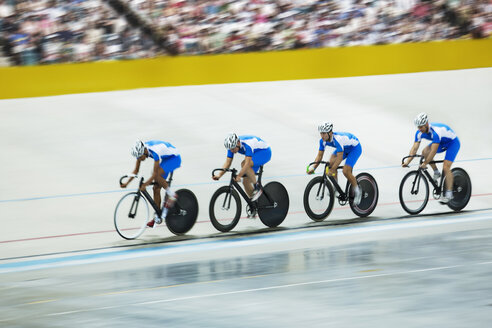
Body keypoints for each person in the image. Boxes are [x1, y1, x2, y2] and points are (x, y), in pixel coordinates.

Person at [120, 140, 181, 227]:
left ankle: (172, 195)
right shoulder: (142, 151)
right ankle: (157, 215)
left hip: (174, 158)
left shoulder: (155, 151)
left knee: (156, 175)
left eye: (140, 157)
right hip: (166, 159)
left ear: (144, 152)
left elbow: (155, 174)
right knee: (156, 188)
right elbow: (136, 170)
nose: (139, 159)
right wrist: (127, 183)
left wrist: (145, 184)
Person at [402, 113, 460, 203]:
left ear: (426, 124)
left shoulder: (436, 132)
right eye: (418, 127)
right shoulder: (419, 133)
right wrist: (407, 162)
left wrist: (425, 163)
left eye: (421, 127)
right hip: (441, 142)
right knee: (424, 152)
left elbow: (433, 152)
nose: (420, 129)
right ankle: (436, 172)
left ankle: (449, 193)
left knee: (446, 167)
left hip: (452, 143)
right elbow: (414, 149)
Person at [307, 122, 362, 206]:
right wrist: (313, 168)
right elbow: (319, 156)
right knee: (331, 162)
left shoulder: (338, 139)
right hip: (344, 148)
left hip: (354, 148)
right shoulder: (322, 141)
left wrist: (332, 170)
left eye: (324, 133)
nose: (322, 136)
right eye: (321, 133)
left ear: (330, 133)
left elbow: (339, 158)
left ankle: (358, 191)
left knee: (346, 171)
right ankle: (336, 186)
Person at [213, 133, 272, 204]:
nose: (232, 151)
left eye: (233, 148)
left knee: (243, 164)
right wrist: (219, 175)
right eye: (230, 149)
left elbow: (247, 164)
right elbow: (228, 163)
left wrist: (239, 176)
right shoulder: (232, 146)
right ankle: (255, 205)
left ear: (238, 143)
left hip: (264, 152)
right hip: (254, 155)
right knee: (245, 182)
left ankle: (257, 187)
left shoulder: (247, 144)